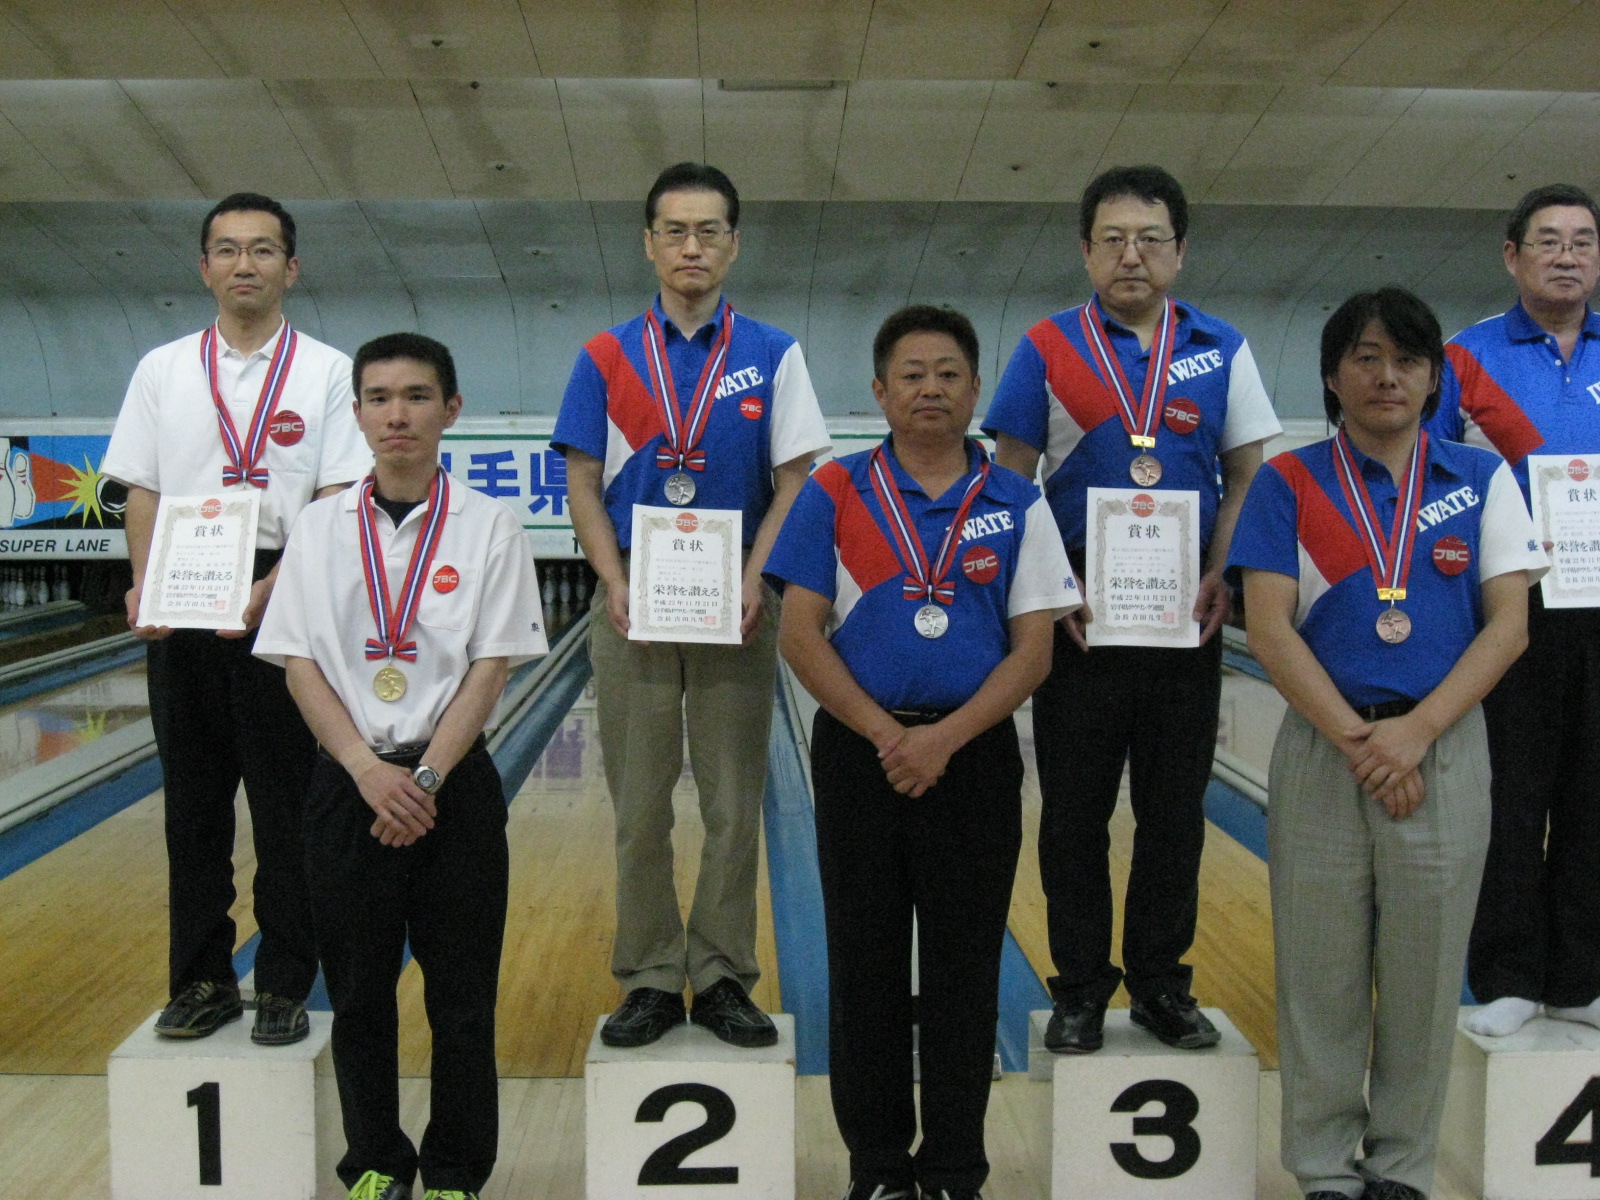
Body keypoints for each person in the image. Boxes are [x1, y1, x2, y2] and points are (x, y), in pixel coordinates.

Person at [1230, 287, 1544, 1200]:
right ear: (1332, 377)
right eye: (1365, 358)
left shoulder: (1481, 480)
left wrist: (1416, 733)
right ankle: (1325, 1169)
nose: (1386, 376)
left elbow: (1510, 626)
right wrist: (1364, 741)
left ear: (1434, 378)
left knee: (1425, 976)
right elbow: (1270, 626)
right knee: (1319, 975)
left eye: (1406, 360)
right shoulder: (1290, 483)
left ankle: (1402, 1165)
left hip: (1442, 748)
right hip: (1327, 749)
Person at [768, 305, 1078, 1200]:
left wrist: (941, 739)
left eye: (948, 374)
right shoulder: (835, 490)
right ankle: (876, 1169)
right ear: (880, 391)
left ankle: (951, 1170)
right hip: (860, 756)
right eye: (911, 374)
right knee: (862, 967)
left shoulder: (1017, 501)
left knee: (964, 971)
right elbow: (799, 633)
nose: (930, 388)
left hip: (971, 759)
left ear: (976, 390)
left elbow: (1034, 651)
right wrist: (887, 735)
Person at [982, 164, 1280, 1053]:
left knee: (1174, 816)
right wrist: (1047, 592)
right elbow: (1010, 482)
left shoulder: (1222, 348)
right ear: (1086, 251)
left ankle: (1160, 984)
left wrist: (1223, 572)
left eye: (1150, 239)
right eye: (1112, 239)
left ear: (1179, 252)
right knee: (1073, 817)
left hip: (1186, 617)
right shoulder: (1046, 347)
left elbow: (1247, 476)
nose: (1131, 256)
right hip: (1080, 621)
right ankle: (1079, 988)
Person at [255, 332, 546, 1200]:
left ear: (450, 410)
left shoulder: (490, 524)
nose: (397, 414)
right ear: (356, 414)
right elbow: (298, 660)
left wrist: (422, 779)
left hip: (452, 788)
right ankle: (376, 1161)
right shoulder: (318, 528)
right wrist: (364, 769)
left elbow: (492, 665)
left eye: (417, 396)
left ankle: (456, 1170)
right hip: (349, 787)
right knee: (358, 995)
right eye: (379, 398)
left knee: (462, 1000)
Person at [553, 162, 830, 1049]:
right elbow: (582, 482)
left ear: (733, 244)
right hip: (634, 593)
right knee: (639, 806)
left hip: (734, 596)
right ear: (649, 243)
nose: (691, 246)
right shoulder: (605, 356)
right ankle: (646, 974)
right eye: (674, 230)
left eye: (709, 230)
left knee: (733, 804)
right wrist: (613, 580)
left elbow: (796, 479)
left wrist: (755, 579)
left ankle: (719, 975)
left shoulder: (774, 354)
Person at [102, 191, 370, 1045]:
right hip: (184, 585)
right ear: (204, 268)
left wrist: (278, 586)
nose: (243, 264)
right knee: (193, 808)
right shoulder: (163, 369)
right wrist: (144, 582)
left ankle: (285, 980)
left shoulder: (327, 371)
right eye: (227, 250)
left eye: (261, 250)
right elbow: (143, 487)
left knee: (287, 804)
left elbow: (337, 495)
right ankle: (201, 980)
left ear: (290, 268)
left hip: (282, 590)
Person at [1423, 183, 1600, 1038]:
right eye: (1549, 241)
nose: (1567, 256)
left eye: (1582, 242)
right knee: (1511, 796)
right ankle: (1508, 976)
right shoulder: (1465, 359)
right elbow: (1431, 481)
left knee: (1593, 798)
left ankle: (1580, 979)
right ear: (1512, 256)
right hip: (1513, 607)